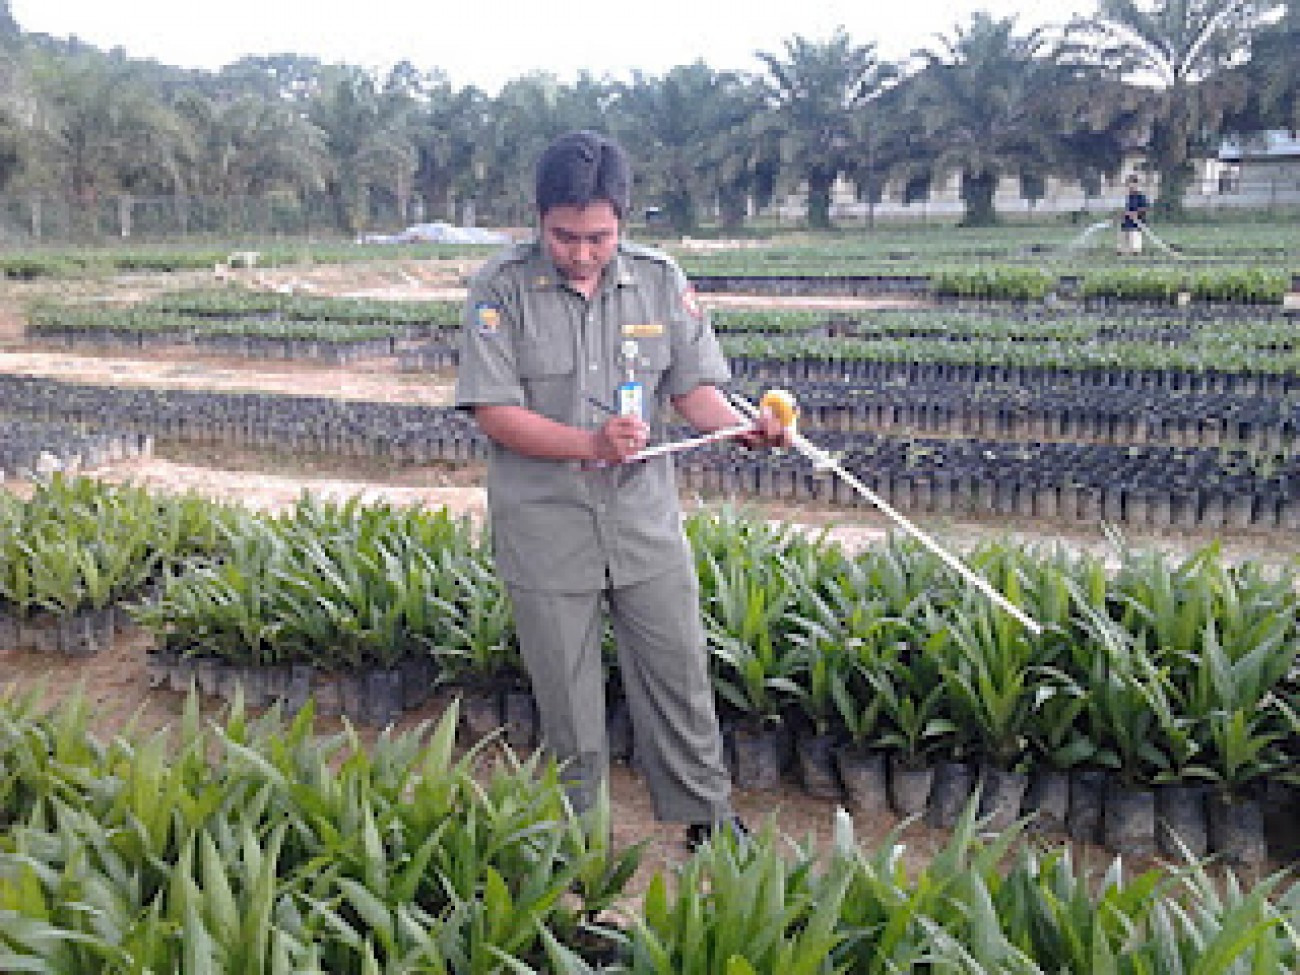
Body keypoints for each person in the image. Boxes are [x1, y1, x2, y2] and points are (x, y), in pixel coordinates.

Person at [454, 130, 788, 847]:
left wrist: (740, 428)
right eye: (565, 235)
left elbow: (693, 387)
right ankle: (577, 842)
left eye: (598, 236)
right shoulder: (499, 288)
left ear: (625, 221)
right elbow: (493, 409)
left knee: (678, 672)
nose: (581, 252)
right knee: (568, 697)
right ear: (539, 218)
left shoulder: (659, 279)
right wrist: (589, 445)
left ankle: (707, 816)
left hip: (642, 521)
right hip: (546, 527)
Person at [1119, 175, 1149, 256]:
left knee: (1134, 234)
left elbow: (1144, 209)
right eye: (1129, 185)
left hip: (1137, 222)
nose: (1131, 187)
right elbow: (1124, 210)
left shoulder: (1141, 197)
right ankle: (1123, 249)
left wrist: (1135, 213)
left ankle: (1135, 250)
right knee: (1123, 233)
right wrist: (1124, 214)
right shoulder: (1127, 197)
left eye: (1133, 184)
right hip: (1127, 222)